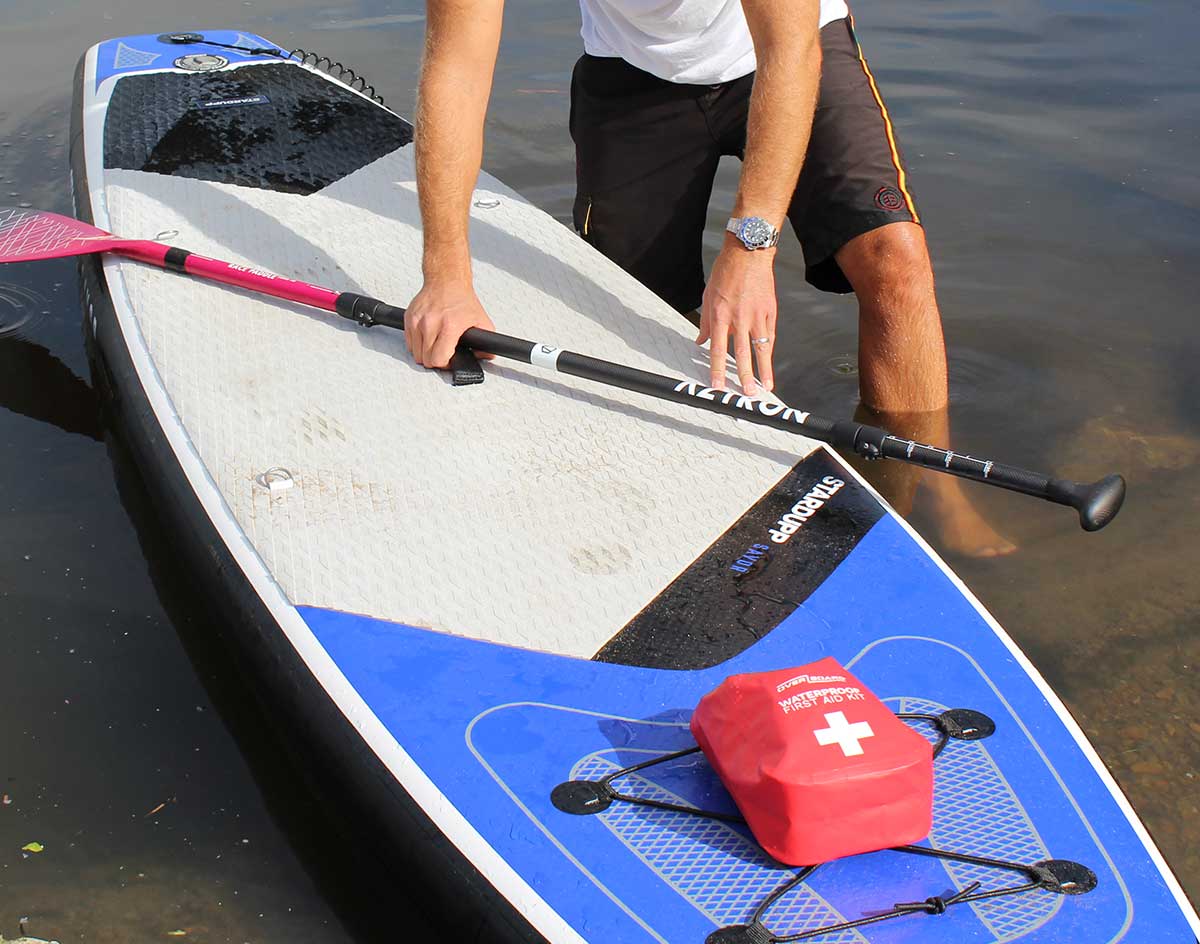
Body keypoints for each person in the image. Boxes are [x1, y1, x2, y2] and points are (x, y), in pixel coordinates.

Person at [407, 0, 1015, 557]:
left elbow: (790, 52)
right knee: (628, 317)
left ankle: (933, 490)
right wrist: (446, 277)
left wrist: (750, 247)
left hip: (791, 47)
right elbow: (456, 69)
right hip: (633, 69)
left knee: (893, 259)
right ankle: (688, 502)